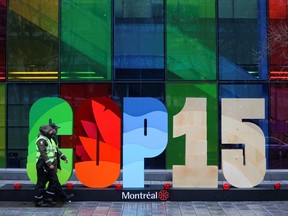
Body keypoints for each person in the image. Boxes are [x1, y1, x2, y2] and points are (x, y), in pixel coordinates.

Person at [33, 125, 74, 207]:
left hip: (50, 165)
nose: (53, 131)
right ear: (45, 131)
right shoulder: (41, 140)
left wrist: (63, 157)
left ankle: (48, 198)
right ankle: (38, 200)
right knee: (42, 183)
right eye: (51, 130)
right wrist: (49, 164)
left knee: (54, 182)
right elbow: (43, 153)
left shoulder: (49, 139)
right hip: (43, 164)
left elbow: (55, 150)